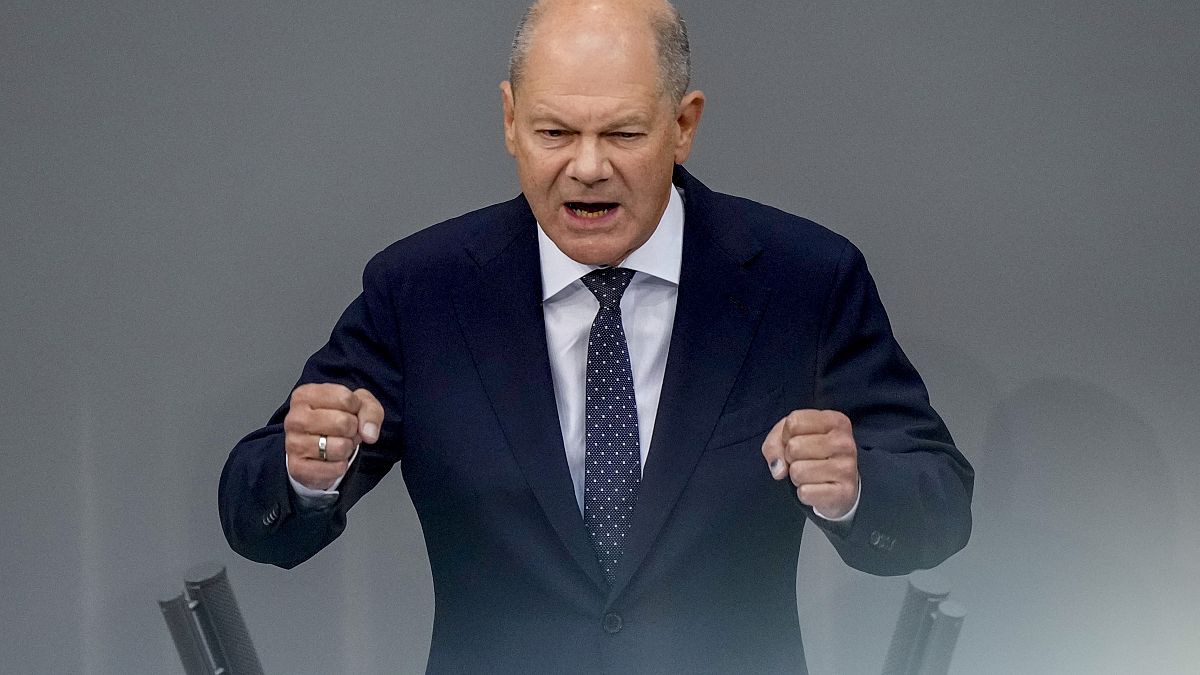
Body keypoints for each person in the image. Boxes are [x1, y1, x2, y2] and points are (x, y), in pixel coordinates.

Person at [218, 1, 973, 672]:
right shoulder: (422, 289)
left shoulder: (805, 279)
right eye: (554, 132)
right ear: (509, 120)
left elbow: (939, 503)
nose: (586, 168)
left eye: (622, 133)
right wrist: (308, 468)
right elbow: (257, 512)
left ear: (683, 125)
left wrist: (857, 487)